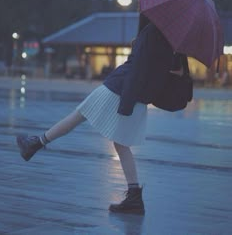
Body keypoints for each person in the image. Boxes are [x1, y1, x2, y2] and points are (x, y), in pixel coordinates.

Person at [16, 13, 180, 215]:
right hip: (134, 93)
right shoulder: (170, 40)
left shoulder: (152, 32)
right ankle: (135, 196)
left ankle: (36, 143)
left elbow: (138, 69)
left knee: (79, 115)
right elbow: (169, 71)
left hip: (120, 87)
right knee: (119, 143)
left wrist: (137, 49)